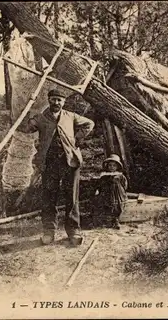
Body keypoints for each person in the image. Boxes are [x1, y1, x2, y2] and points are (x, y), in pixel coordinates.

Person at [24, 89, 94, 246]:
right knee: (49, 197)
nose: (56, 103)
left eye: (59, 100)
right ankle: (49, 231)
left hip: (70, 162)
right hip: (49, 163)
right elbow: (28, 127)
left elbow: (90, 123)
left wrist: (76, 139)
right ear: (49, 100)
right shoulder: (41, 118)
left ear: (64, 102)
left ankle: (74, 231)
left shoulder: (71, 116)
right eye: (53, 99)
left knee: (72, 196)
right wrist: (27, 113)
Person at [91, 154, 128, 230]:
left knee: (117, 207)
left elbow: (124, 184)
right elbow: (100, 184)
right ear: (107, 166)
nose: (111, 167)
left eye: (114, 165)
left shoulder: (120, 175)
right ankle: (104, 222)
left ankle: (116, 221)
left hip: (117, 194)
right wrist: (98, 190)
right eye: (110, 165)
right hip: (106, 193)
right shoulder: (104, 175)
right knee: (105, 206)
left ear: (117, 167)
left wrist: (122, 191)